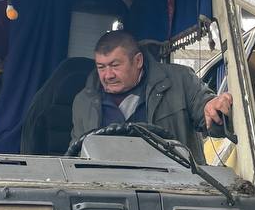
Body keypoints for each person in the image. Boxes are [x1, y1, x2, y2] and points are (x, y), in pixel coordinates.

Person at [70, 30, 233, 157]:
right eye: (101, 67)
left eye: (115, 65)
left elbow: (212, 119)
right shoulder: (83, 102)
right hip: (105, 186)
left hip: (176, 185)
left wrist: (215, 108)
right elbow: (77, 153)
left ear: (138, 61)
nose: (108, 75)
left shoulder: (181, 80)